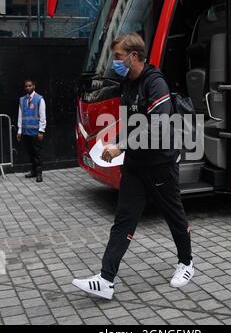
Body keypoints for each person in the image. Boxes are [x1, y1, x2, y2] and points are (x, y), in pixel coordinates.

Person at [72, 33, 194, 300]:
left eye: (118, 56)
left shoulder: (155, 82)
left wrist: (121, 146)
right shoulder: (127, 83)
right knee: (124, 218)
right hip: (136, 163)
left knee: (174, 216)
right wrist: (113, 144)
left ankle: (186, 263)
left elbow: (159, 124)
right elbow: (129, 123)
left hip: (160, 163)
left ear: (134, 56)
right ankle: (106, 279)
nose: (115, 62)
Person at [17, 79, 46, 183]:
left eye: (30, 86)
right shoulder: (22, 100)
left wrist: (41, 131)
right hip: (25, 131)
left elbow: (43, 117)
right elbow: (20, 116)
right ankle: (33, 171)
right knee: (30, 153)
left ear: (34, 86)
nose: (28, 88)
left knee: (37, 153)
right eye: (26, 86)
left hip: (35, 132)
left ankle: (39, 173)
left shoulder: (39, 99)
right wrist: (19, 131)